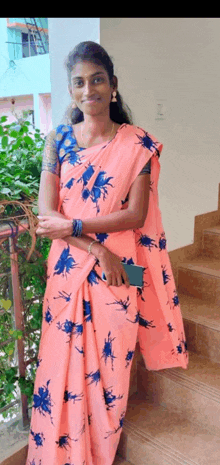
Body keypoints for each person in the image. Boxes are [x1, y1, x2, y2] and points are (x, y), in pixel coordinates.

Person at [25, 41, 189, 465]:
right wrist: (95, 247)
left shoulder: (139, 146)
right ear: (70, 89)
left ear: (112, 85)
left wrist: (76, 227)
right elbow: (47, 215)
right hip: (69, 273)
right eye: (78, 82)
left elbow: (135, 214)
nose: (88, 89)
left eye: (97, 79)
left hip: (121, 274)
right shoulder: (57, 139)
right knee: (58, 371)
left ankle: (96, 453)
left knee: (110, 375)